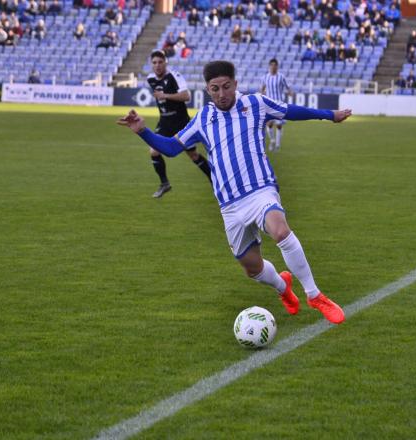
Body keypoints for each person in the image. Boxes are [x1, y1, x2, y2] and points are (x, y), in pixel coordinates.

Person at [117, 60, 350, 324]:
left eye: (226, 87)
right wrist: (143, 131)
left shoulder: (255, 104)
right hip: (229, 206)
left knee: (280, 230)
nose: (221, 94)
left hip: (261, 190)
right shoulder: (204, 118)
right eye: (214, 89)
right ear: (207, 90)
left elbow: (291, 110)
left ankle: (314, 294)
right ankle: (283, 288)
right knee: (253, 267)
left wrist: (330, 115)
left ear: (235, 84)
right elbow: (171, 147)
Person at [145, 51, 211, 198]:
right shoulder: (150, 79)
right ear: (151, 64)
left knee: (193, 155)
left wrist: (165, 96)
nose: (157, 65)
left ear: (165, 63)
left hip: (180, 121)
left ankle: (214, 180)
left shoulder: (175, 76)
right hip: (164, 121)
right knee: (153, 151)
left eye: (160, 62)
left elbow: (187, 96)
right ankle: (164, 183)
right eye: (154, 63)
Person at [260, 58, 293, 152]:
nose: (273, 67)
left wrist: (290, 92)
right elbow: (262, 89)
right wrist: (261, 97)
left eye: (275, 65)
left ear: (277, 67)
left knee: (279, 125)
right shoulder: (265, 77)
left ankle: (277, 145)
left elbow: (287, 87)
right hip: (269, 105)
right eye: (272, 65)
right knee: (269, 124)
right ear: (269, 66)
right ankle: (272, 140)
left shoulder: (281, 77)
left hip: (279, 104)